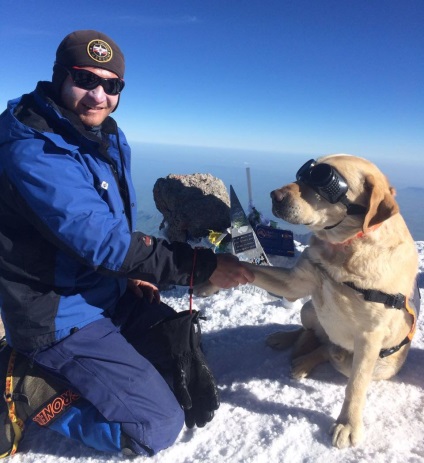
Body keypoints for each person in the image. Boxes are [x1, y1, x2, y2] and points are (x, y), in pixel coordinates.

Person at [0, 30, 254, 458]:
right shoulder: (33, 150)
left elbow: (108, 230)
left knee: (181, 358)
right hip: (57, 315)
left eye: (111, 85)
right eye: (85, 79)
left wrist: (129, 276)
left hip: (101, 292)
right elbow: (101, 242)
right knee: (156, 426)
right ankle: (31, 386)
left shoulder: (101, 136)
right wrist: (201, 267)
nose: (99, 95)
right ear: (60, 77)